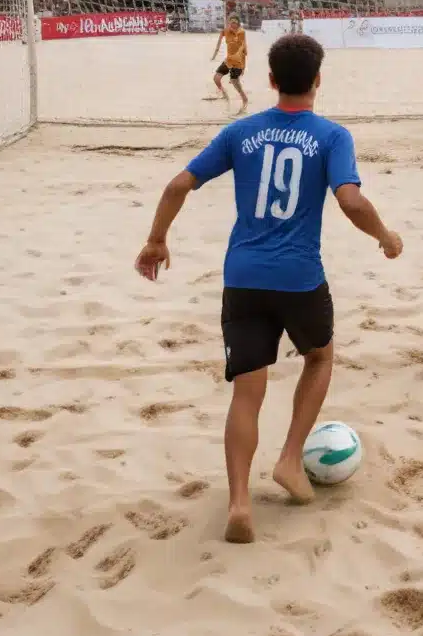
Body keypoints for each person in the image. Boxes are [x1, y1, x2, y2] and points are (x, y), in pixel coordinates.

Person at [135, 33, 403, 544]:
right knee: (320, 357)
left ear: (272, 80)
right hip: (299, 277)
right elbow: (351, 202)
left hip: (244, 276)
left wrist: (155, 240)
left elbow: (177, 185)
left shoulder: (242, 132)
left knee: (247, 392)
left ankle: (239, 503)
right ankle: (288, 459)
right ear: (318, 80)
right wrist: (387, 238)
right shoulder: (331, 136)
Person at [211, 13, 249, 112]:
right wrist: (214, 54)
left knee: (234, 81)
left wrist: (243, 67)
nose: (233, 25)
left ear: (238, 24)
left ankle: (245, 99)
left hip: (238, 62)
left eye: (235, 23)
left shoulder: (241, 32)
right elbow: (219, 42)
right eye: (231, 22)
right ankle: (224, 93)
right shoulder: (226, 31)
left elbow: (244, 49)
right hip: (228, 60)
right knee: (216, 78)